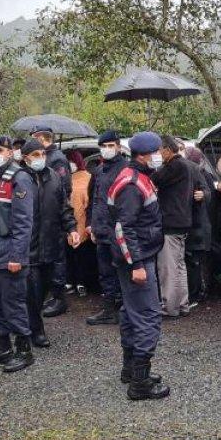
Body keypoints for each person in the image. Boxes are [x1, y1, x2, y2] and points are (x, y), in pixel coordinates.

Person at [108, 131, 171, 400]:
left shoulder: (140, 177)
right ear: (144, 155)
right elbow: (124, 228)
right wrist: (135, 263)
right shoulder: (133, 184)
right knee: (147, 317)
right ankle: (140, 383)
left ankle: (131, 370)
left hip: (140, 255)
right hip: (137, 258)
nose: (160, 156)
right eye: (157, 151)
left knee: (131, 314)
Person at [0, 136, 37, 373]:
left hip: (9, 253)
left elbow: (24, 223)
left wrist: (17, 257)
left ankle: (24, 349)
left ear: (10, 152)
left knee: (13, 303)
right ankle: (2, 346)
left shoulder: (19, 179)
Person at [22, 143, 79, 348]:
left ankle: (29, 325)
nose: (40, 158)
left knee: (45, 288)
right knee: (32, 292)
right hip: (28, 246)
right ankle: (35, 331)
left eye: (43, 154)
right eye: (35, 154)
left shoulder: (54, 177)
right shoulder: (20, 179)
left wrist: (72, 229)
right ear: (26, 157)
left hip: (51, 245)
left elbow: (64, 207)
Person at [28, 126, 73, 317]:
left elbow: (64, 189)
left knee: (57, 261)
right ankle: (50, 295)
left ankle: (59, 298)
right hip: (43, 218)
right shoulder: (45, 157)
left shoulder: (57, 159)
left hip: (54, 218)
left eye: (33, 139)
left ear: (41, 138)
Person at [85, 131, 126, 326]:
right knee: (105, 271)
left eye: (111, 145)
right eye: (104, 146)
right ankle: (109, 308)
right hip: (101, 229)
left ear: (118, 146)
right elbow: (95, 200)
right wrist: (91, 224)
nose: (107, 149)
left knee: (122, 270)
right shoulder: (99, 171)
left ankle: (124, 307)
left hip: (119, 230)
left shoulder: (125, 169)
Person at [152, 136, 194, 318]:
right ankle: (182, 304)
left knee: (168, 268)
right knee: (178, 266)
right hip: (181, 222)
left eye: (159, 150)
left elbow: (155, 178)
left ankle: (170, 307)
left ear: (168, 149)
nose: (158, 154)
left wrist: (153, 168)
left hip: (171, 223)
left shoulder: (175, 166)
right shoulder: (185, 165)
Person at [184, 146, 214, 308]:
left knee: (195, 262)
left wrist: (204, 195)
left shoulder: (202, 175)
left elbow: (210, 196)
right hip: (194, 226)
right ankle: (196, 292)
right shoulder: (191, 174)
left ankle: (197, 293)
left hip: (199, 227)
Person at [64, 150, 95, 299]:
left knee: (82, 255)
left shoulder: (88, 178)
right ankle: (72, 280)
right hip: (70, 222)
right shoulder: (65, 179)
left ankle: (81, 282)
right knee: (71, 255)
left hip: (83, 222)